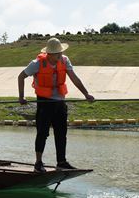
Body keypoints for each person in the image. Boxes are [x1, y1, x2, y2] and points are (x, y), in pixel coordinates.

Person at [17, 37, 95, 172]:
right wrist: (21, 96)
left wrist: (86, 94)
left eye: (60, 52)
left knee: (61, 133)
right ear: (49, 54)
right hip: (44, 102)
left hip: (60, 102)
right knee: (42, 133)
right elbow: (21, 76)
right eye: (57, 53)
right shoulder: (37, 63)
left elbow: (74, 77)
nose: (60, 55)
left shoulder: (64, 60)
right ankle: (38, 162)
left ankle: (61, 162)